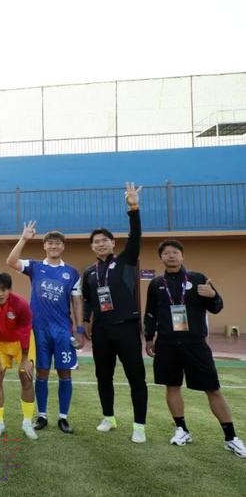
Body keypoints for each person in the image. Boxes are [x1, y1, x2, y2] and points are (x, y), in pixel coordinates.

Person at [144, 239, 245, 457]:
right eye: (166, 253)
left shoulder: (198, 279)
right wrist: (149, 338)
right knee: (172, 386)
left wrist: (214, 296)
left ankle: (231, 438)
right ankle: (182, 429)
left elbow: (217, 307)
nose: (171, 256)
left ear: (182, 256)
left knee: (213, 389)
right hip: (167, 344)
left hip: (195, 344)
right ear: (161, 258)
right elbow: (150, 313)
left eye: (175, 252)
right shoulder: (156, 284)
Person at [82, 182, 148, 443]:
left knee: (136, 377)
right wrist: (86, 320)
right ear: (92, 247)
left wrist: (134, 208)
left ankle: (139, 425)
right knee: (103, 376)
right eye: (95, 242)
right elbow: (88, 299)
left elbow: (136, 235)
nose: (100, 244)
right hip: (102, 331)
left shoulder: (125, 261)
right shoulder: (89, 272)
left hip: (126, 327)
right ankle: (108, 417)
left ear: (113, 243)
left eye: (104, 241)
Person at [6, 222, 83, 434]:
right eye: (50, 243)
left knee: (65, 373)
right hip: (38, 330)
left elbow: (77, 301)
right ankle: (42, 415)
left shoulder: (72, 272)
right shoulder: (35, 266)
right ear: (44, 246)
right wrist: (24, 238)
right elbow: (11, 261)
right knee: (41, 372)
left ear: (63, 246)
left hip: (63, 330)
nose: (54, 246)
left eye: (57, 243)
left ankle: (63, 417)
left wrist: (79, 329)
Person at [0, 272, 38, 440]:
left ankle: (27, 423)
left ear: (10, 289)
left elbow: (25, 331)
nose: (0, 294)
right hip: (1, 343)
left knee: (26, 376)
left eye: (4, 290)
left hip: (21, 342)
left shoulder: (21, 304)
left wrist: (24, 360)